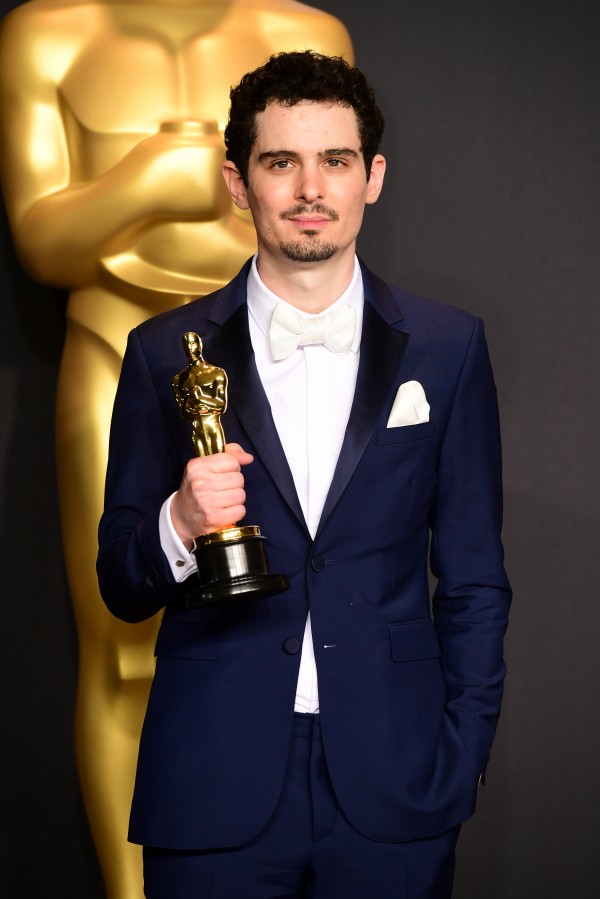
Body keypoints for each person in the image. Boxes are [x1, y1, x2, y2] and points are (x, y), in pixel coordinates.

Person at [98, 50, 511, 898]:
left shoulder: (450, 348)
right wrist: (177, 522)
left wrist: (461, 754)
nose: (310, 187)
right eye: (281, 161)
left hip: (398, 782)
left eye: (337, 160)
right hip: (212, 780)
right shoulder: (160, 354)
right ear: (238, 183)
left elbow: (474, 579)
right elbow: (118, 578)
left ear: (374, 177)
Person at [0, 4, 351, 896]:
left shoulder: (304, 29)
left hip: (272, 352)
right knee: (122, 648)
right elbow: (42, 238)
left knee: (290, 618)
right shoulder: (49, 34)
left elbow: (319, 213)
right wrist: (145, 183)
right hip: (118, 345)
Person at [172, 332, 228, 457]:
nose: (189, 348)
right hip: (196, 429)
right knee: (204, 468)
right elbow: (182, 413)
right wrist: (188, 403)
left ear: (200, 345)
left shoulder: (216, 372)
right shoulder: (178, 379)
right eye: (186, 345)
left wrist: (199, 398)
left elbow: (221, 404)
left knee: (221, 464)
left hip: (212, 425)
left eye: (192, 343)